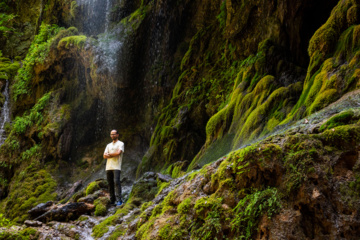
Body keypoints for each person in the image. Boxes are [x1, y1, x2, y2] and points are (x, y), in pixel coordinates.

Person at [103, 129, 125, 206]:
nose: (112, 135)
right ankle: (112, 200)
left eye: (114, 134)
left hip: (116, 166)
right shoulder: (108, 145)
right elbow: (104, 156)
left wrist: (109, 154)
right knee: (110, 183)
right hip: (108, 167)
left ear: (117, 135)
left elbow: (118, 153)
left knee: (116, 182)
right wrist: (112, 154)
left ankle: (119, 200)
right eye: (111, 134)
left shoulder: (121, 143)